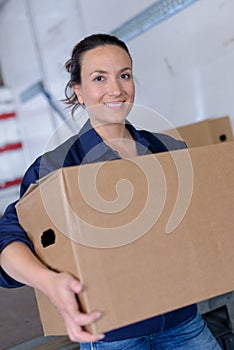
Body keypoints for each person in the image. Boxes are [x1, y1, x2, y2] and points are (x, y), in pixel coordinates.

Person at [0, 34, 221, 349]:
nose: (116, 89)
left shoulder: (168, 149)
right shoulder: (56, 166)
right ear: (78, 91)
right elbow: (7, 239)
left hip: (181, 320)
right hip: (113, 333)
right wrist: (49, 281)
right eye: (99, 78)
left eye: (124, 75)